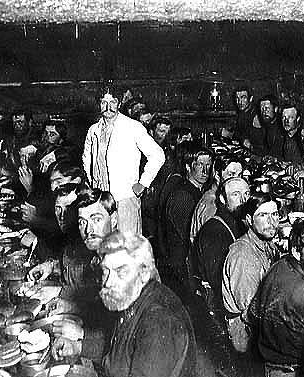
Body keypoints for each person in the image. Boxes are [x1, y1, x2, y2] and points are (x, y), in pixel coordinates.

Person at [51, 231, 197, 377]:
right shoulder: (129, 296)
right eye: (105, 271)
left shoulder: (159, 322)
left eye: (120, 271)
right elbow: (118, 351)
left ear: (144, 272)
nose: (108, 282)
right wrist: (77, 347)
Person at [250, 220, 304, 377]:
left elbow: (254, 312)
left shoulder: (280, 265)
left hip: (269, 363)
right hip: (293, 371)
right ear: (296, 251)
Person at [82, 87, 165, 235]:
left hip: (124, 199)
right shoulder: (93, 130)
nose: (108, 107)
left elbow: (158, 155)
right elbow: (87, 158)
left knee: (128, 248)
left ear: (119, 103)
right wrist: (92, 184)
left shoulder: (132, 127)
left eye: (112, 102)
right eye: (103, 102)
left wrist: (143, 183)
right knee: (103, 245)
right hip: (100, 200)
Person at [29, 188, 117, 320]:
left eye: (97, 219)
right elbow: (93, 297)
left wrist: (81, 331)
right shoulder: (98, 255)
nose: (88, 230)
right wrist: (52, 266)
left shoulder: (120, 261)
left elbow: (112, 321)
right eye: (82, 222)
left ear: (114, 219)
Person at [222, 192, 280, 352]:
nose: (271, 222)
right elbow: (252, 313)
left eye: (274, 214)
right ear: (249, 220)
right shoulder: (243, 256)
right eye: (263, 215)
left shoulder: (265, 242)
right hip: (245, 334)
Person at [190, 177, 249, 311]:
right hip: (221, 309)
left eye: (246, 194)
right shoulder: (214, 233)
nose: (243, 200)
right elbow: (220, 283)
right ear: (223, 199)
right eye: (236, 194)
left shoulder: (237, 221)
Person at [161, 143, 213, 293]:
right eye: (200, 165)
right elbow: (190, 238)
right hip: (182, 270)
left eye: (209, 165)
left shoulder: (195, 190)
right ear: (188, 167)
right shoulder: (182, 197)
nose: (205, 170)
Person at [189, 154, 244, 243]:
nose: (237, 180)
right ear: (217, 175)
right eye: (231, 175)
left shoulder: (218, 196)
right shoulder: (212, 206)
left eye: (240, 175)